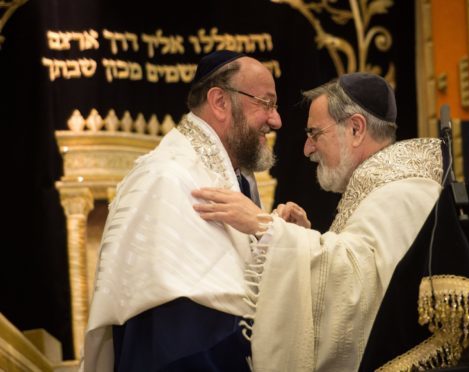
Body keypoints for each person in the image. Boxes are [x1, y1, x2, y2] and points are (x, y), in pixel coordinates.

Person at [192, 72, 444, 371]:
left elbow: (358, 297)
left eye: (315, 134)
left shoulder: (402, 193)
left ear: (355, 129)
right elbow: (352, 276)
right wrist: (301, 240)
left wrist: (264, 225)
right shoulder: (387, 188)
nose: (307, 149)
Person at [81, 50, 282, 371]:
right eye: (267, 103)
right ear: (220, 102)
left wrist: (279, 236)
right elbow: (176, 330)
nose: (276, 120)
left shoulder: (235, 177)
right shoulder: (165, 178)